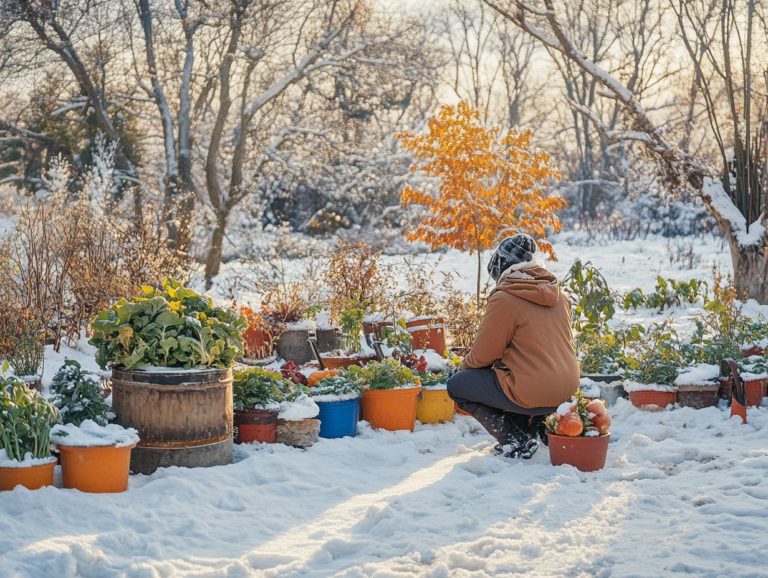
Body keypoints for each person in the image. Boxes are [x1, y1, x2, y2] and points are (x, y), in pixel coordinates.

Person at [447, 233, 579, 459]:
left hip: (531, 391)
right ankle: (538, 428)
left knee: (458, 385)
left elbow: (483, 355)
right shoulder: (560, 296)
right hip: (566, 390)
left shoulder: (506, 299)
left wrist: (462, 369)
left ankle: (516, 440)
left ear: (503, 268)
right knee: (516, 373)